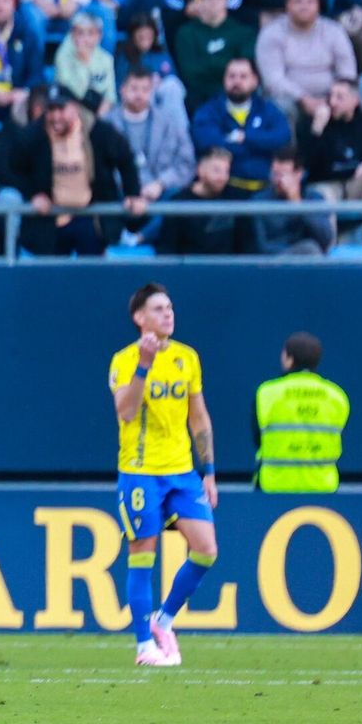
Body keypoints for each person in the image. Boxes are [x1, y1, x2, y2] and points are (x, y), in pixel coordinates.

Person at [109, 282, 220, 668]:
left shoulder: (187, 358)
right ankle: (144, 646)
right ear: (139, 318)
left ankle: (164, 619)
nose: (168, 314)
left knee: (206, 549)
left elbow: (199, 416)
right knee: (143, 554)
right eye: (158, 309)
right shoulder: (124, 360)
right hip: (140, 472)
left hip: (182, 471)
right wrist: (144, 364)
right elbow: (125, 411)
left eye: (170, 307)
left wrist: (208, 471)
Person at [13, 85, 145, 255]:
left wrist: (133, 194)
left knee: (92, 275)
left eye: (61, 109)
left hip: (90, 215)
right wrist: (33, 194)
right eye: (51, 109)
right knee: (53, 276)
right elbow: (11, 167)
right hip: (51, 218)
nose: (55, 116)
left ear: (75, 107)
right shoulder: (35, 133)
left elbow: (125, 159)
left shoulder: (97, 130)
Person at [255, 332, 349, 493]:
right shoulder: (337, 396)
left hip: (275, 485)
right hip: (323, 485)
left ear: (289, 359)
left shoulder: (267, 393)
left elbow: (257, 438)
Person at [300, 78, 362, 244]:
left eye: (339, 97)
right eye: (330, 96)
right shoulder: (314, 123)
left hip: (354, 182)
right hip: (326, 183)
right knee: (322, 194)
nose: (332, 102)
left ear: (354, 101)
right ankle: (329, 243)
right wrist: (317, 129)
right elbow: (305, 162)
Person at [256, 0, 358, 123]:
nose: (304, 6)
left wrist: (336, 97)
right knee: (280, 108)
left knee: (359, 106)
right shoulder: (271, 33)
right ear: (288, 5)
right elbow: (273, 80)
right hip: (290, 99)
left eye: (310, 1)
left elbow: (347, 70)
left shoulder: (334, 30)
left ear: (318, 5)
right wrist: (303, 98)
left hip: (332, 96)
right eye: (298, 1)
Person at [191, 58, 292, 194]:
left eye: (243, 76)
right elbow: (208, 142)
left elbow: (283, 137)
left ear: (255, 81)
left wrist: (246, 137)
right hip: (223, 191)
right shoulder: (209, 110)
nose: (236, 82)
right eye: (231, 76)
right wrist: (261, 147)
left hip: (267, 190)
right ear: (224, 80)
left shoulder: (267, 109)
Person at [107, 67, 194, 204]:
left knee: (178, 197)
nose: (139, 95)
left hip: (161, 192)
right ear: (122, 90)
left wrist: (160, 183)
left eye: (145, 90)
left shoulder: (170, 122)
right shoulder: (106, 124)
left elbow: (186, 163)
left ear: (152, 92)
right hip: (118, 194)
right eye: (134, 89)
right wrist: (128, 186)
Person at [172, 0, 256, 113]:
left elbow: (244, 69)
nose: (213, 1)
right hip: (198, 98)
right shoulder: (186, 33)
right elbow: (190, 74)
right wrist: (225, 67)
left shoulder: (243, 32)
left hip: (235, 96)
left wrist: (209, 65)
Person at [154, 148, 248, 254]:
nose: (223, 177)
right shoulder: (179, 202)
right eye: (216, 170)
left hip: (228, 268)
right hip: (190, 267)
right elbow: (167, 248)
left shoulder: (235, 199)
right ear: (200, 170)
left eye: (226, 171)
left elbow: (246, 245)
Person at [251, 148, 336, 255]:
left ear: (299, 174)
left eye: (283, 174)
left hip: (309, 258)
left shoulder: (314, 198)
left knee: (311, 248)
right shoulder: (260, 201)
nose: (278, 180)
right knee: (309, 249)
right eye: (275, 174)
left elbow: (325, 239)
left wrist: (297, 204)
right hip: (274, 262)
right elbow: (260, 246)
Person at [53, 11, 114, 113]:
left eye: (91, 33)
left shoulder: (106, 59)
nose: (85, 39)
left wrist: (100, 119)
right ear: (72, 34)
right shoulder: (63, 57)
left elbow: (110, 96)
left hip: (97, 112)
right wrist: (85, 61)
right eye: (80, 33)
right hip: (69, 109)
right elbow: (77, 94)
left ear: (99, 36)